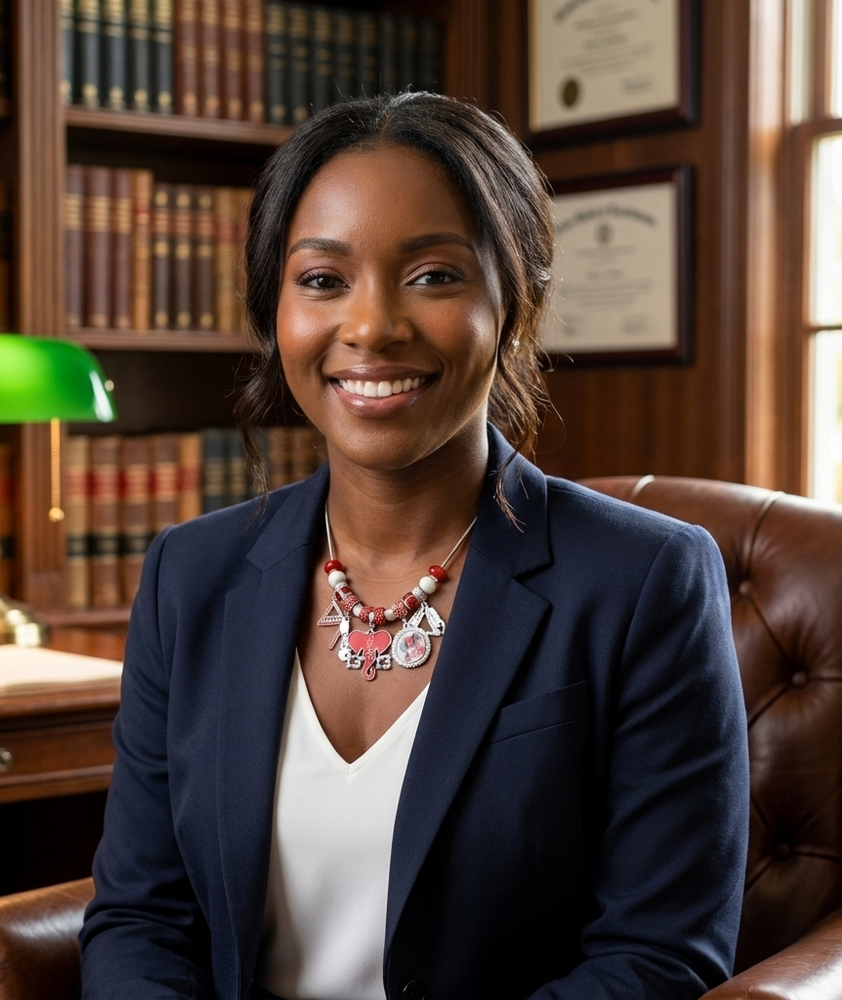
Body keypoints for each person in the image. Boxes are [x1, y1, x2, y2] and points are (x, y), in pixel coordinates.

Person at [79, 93, 749, 1000]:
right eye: (322, 280)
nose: (370, 327)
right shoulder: (189, 576)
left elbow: (658, 955)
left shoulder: (644, 581)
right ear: (275, 310)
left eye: (433, 276)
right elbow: (140, 919)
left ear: (516, 302)